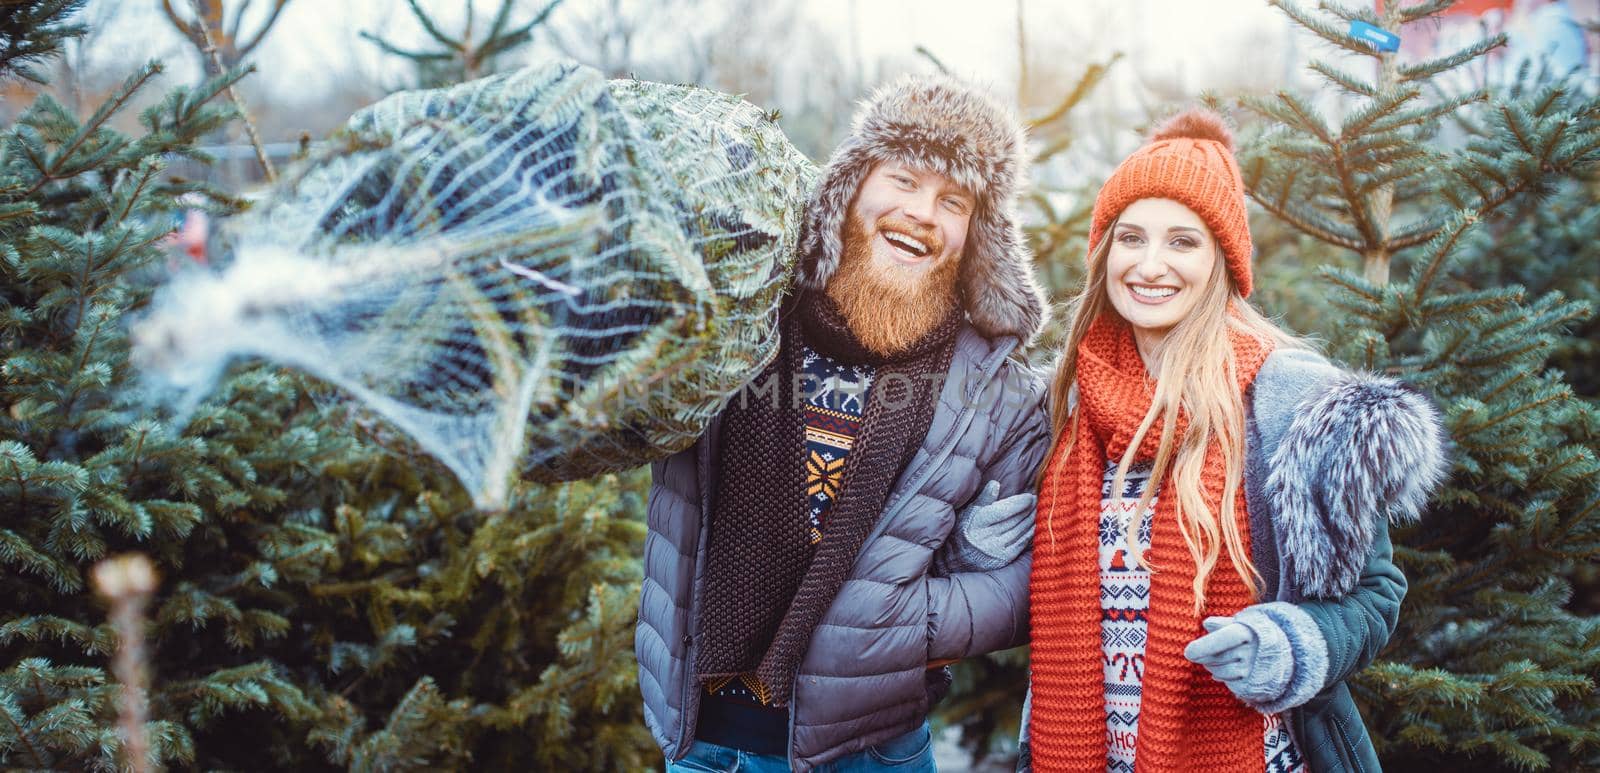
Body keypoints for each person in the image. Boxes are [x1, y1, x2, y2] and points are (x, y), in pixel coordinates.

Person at [636, 74, 1052, 772]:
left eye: (953, 200)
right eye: (904, 180)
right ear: (852, 185)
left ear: (976, 233)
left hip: (876, 751)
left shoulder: (995, 389)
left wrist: (905, 620)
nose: (923, 212)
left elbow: (1021, 580)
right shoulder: (743, 315)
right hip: (707, 741)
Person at [1021, 109, 1449, 772]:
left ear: (1222, 258)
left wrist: (1292, 643)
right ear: (1105, 251)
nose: (1150, 264)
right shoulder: (1071, 395)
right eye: (1131, 237)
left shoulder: (1288, 399)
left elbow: (1375, 593)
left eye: (1182, 242)